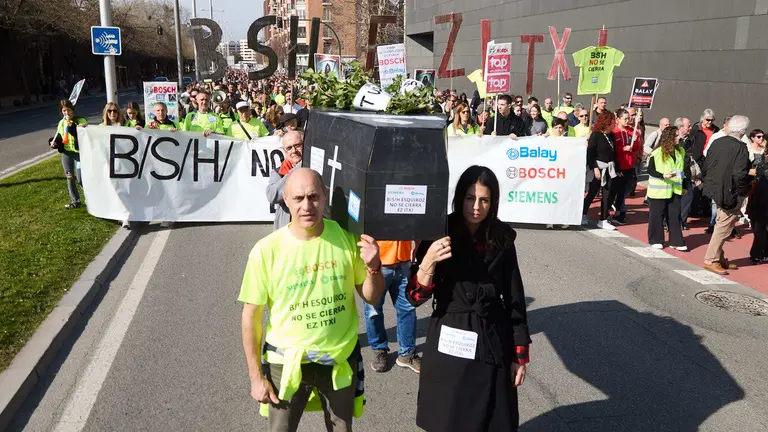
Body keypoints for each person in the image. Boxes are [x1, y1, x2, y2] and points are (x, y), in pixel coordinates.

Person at [240, 168, 385, 431]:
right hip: (286, 364)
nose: (307, 206)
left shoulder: (345, 237)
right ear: (285, 199)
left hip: (339, 359)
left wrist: (374, 266)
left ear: (325, 196)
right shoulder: (265, 251)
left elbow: (372, 297)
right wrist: (255, 376)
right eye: (298, 198)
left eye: (313, 197)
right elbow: (251, 316)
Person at [406, 165, 530, 432]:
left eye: (484, 200)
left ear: (493, 202)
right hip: (449, 335)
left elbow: (514, 299)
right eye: (470, 198)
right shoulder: (439, 232)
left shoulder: (502, 238)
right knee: (449, 417)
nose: (476, 207)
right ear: (459, 197)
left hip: (491, 337)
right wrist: (428, 261)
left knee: (492, 418)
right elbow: (414, 296)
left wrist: (519, 355)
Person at [702, 115, 752, 275]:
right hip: (729, 191)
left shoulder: (717, 142)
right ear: (743, 131)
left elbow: (707, 164)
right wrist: (744, 190)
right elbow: (739, 174)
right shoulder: (740, 147)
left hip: (715, 188)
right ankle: (711, 259)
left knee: (721, 224)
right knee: (723, 227)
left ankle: (718, 256)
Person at [365, 240, 420, 373]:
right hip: (377, 262)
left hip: (404, 261)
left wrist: (419, 246)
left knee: (408, 308)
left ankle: (407, 353)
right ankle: (379, 349)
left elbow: (415, 222)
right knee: (373, 311)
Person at [646, 127, 688, 250]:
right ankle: (655, 239)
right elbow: (650, 170)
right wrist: (663, 175)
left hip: (675, 189)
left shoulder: (681, 151)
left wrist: (684, 186)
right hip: (659, 190)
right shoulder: (657, 152)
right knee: (657, 215)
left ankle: (676, 241)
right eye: (675, 136)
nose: (678, 138)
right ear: (668, 138)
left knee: (674, 215)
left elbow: (682, 170)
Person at [583, 111, 620, 230]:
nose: (615, 123)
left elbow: (614, 154)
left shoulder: (611, 136)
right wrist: (595, 168)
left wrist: (617, 168)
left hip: (609, 168)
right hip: (598, 167)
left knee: (607, 194)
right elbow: (591, 153)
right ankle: (583, 213)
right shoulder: (596, 135)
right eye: (613, 121)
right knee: (592, 193)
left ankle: (603, 219)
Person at [50, 100, 87, 209]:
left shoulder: (80, 120)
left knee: (80, 178)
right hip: (67, 153)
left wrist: (73, 127)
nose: (66, 113)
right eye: (64, 111)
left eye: (68, 110)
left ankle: (90, 199)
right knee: (69, 177)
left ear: (73, 110)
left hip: (79, 154)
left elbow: (81, 135)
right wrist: (54, 142)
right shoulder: (61, 123)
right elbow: (60, 137)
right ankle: (75, 201)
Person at [266, 131, 303, 231]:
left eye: (298, 145)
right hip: (286, 232)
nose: (294, 151)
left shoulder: (316, 169)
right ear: (285, 151)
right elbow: (271, 195)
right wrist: (297, 170)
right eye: (289, 148)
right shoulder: (278, 172)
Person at [610, 108, 642, 225]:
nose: (628, 121)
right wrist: (622, 148)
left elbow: (635, 148)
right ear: (618, 119)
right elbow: (612, 149)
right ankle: (619, 212)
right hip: (618, 165)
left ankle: (619, 210)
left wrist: (635, 141)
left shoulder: (631, 131)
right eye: (625, 119)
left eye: (628, 118)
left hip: (629, 165)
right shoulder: (614, 132)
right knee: (617, 190)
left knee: (626, 189)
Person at [747, 144, 768, 264]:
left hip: (760, 196)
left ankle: (760, 253)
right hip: (761, 197)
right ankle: (757, 253)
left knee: (760, 228)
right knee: (760, 227)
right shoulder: (763, 162)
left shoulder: (762, 161)